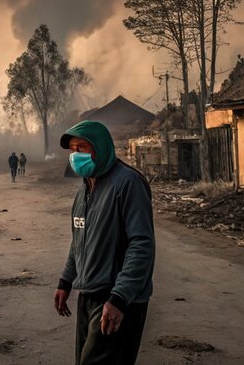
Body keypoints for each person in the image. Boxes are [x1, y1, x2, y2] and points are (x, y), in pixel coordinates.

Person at [54, 120, 155, 365]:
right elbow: (79, 241)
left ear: (99, 148)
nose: (75, 156)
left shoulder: (127, 183)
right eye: (72, 150)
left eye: (82, 148)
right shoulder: (85, 190)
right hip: (88, 295)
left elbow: (141, 244)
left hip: (117, 299)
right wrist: (66, 281)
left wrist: (119, 298)